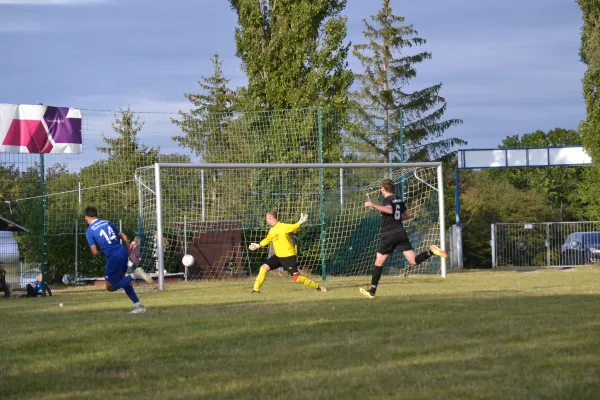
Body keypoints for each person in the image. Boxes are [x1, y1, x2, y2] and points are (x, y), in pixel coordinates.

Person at [360, 179, 447, 299]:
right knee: (413, 261)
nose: (380, 190)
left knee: (379, 262)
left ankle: (372, 292)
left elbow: (390, 210)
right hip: (400, 233)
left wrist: (373, 205)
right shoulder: (398, 199)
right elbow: (408, 215)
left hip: (389, 235)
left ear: (384, 189)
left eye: (381, 188)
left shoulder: (388, 199)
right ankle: (431, 251)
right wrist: (397, 219)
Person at [84, 206, 152, 313]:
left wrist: (103, 253)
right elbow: (124, 237)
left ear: (86, 217)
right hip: (121, 251)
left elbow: (95, 252)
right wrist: (128, 252)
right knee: (122, 280)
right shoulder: (107, 222)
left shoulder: (89, 231)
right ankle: (138, 306)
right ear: (96, 215)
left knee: (110, 287)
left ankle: (135, 275)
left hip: (113, 256)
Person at [248, 211, 326, 293]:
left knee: (297, 278)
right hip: (278, 257)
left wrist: (299, 222)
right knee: (263, 268)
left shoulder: (283, 226)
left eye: (267, 218)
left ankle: (318, 286)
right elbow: (267, 239)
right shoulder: (272, 230)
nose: (266, 220)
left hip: (289, 257)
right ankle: (256, 290)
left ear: (270, 218)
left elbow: (293, 227)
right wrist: (258, 245)